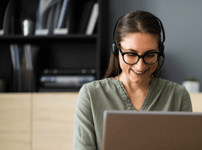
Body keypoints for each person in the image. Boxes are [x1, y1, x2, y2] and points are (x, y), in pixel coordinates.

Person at [73, 10, 193, 150]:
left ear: (160, 52)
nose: (140, 66)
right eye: (131, 54)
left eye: (150, 55)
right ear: (116, 50)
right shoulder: (90, 95)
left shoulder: (178, 96)